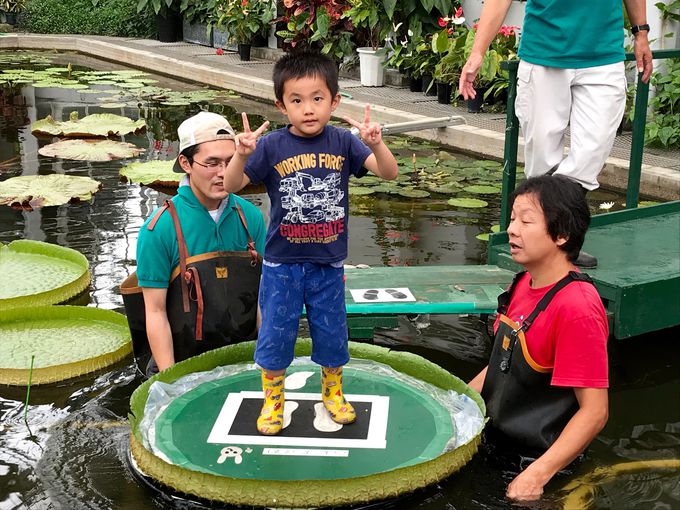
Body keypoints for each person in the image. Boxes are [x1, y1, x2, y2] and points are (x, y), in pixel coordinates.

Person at [223, 50, 399, 435]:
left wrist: (377, 143)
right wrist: (240, 155)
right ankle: (273, 399)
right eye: (296, 100)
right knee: (275, 334)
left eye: (318, 98)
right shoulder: (270, 146)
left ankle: (332, 393)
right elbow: (233, 185)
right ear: (280, 105)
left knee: (332, 333)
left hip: (328, 264)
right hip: (281, 265)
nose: (308, 109)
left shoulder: (343, 143)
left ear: (334, 101)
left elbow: (388, 173)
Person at [459, 0, 653, 267]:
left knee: (592, 151)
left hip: (603, 54)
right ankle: (553, 244)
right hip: (544, 52)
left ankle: (554, 234)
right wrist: (477, 52)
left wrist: (641, 32)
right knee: (541, 158)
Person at [468, 175, 609, 501]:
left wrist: (537, 475)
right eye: (513, 218)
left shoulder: (577, 308)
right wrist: (458, 401)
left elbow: (595, 412)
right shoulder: (519, 285)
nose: (512, 229)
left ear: (561, 234)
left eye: (526, 220)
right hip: (495, 444)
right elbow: (502, 365)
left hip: (541, 467)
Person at [133, 111, 266, 375]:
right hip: (184, 363)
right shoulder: (158, 229)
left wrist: (266, 363)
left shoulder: (251, 217)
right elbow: (156, 312)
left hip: (244, 360)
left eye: (231, 161)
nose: (223, 173)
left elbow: (264, 299)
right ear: (185, 163)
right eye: (212, 163)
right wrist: (171, 383)